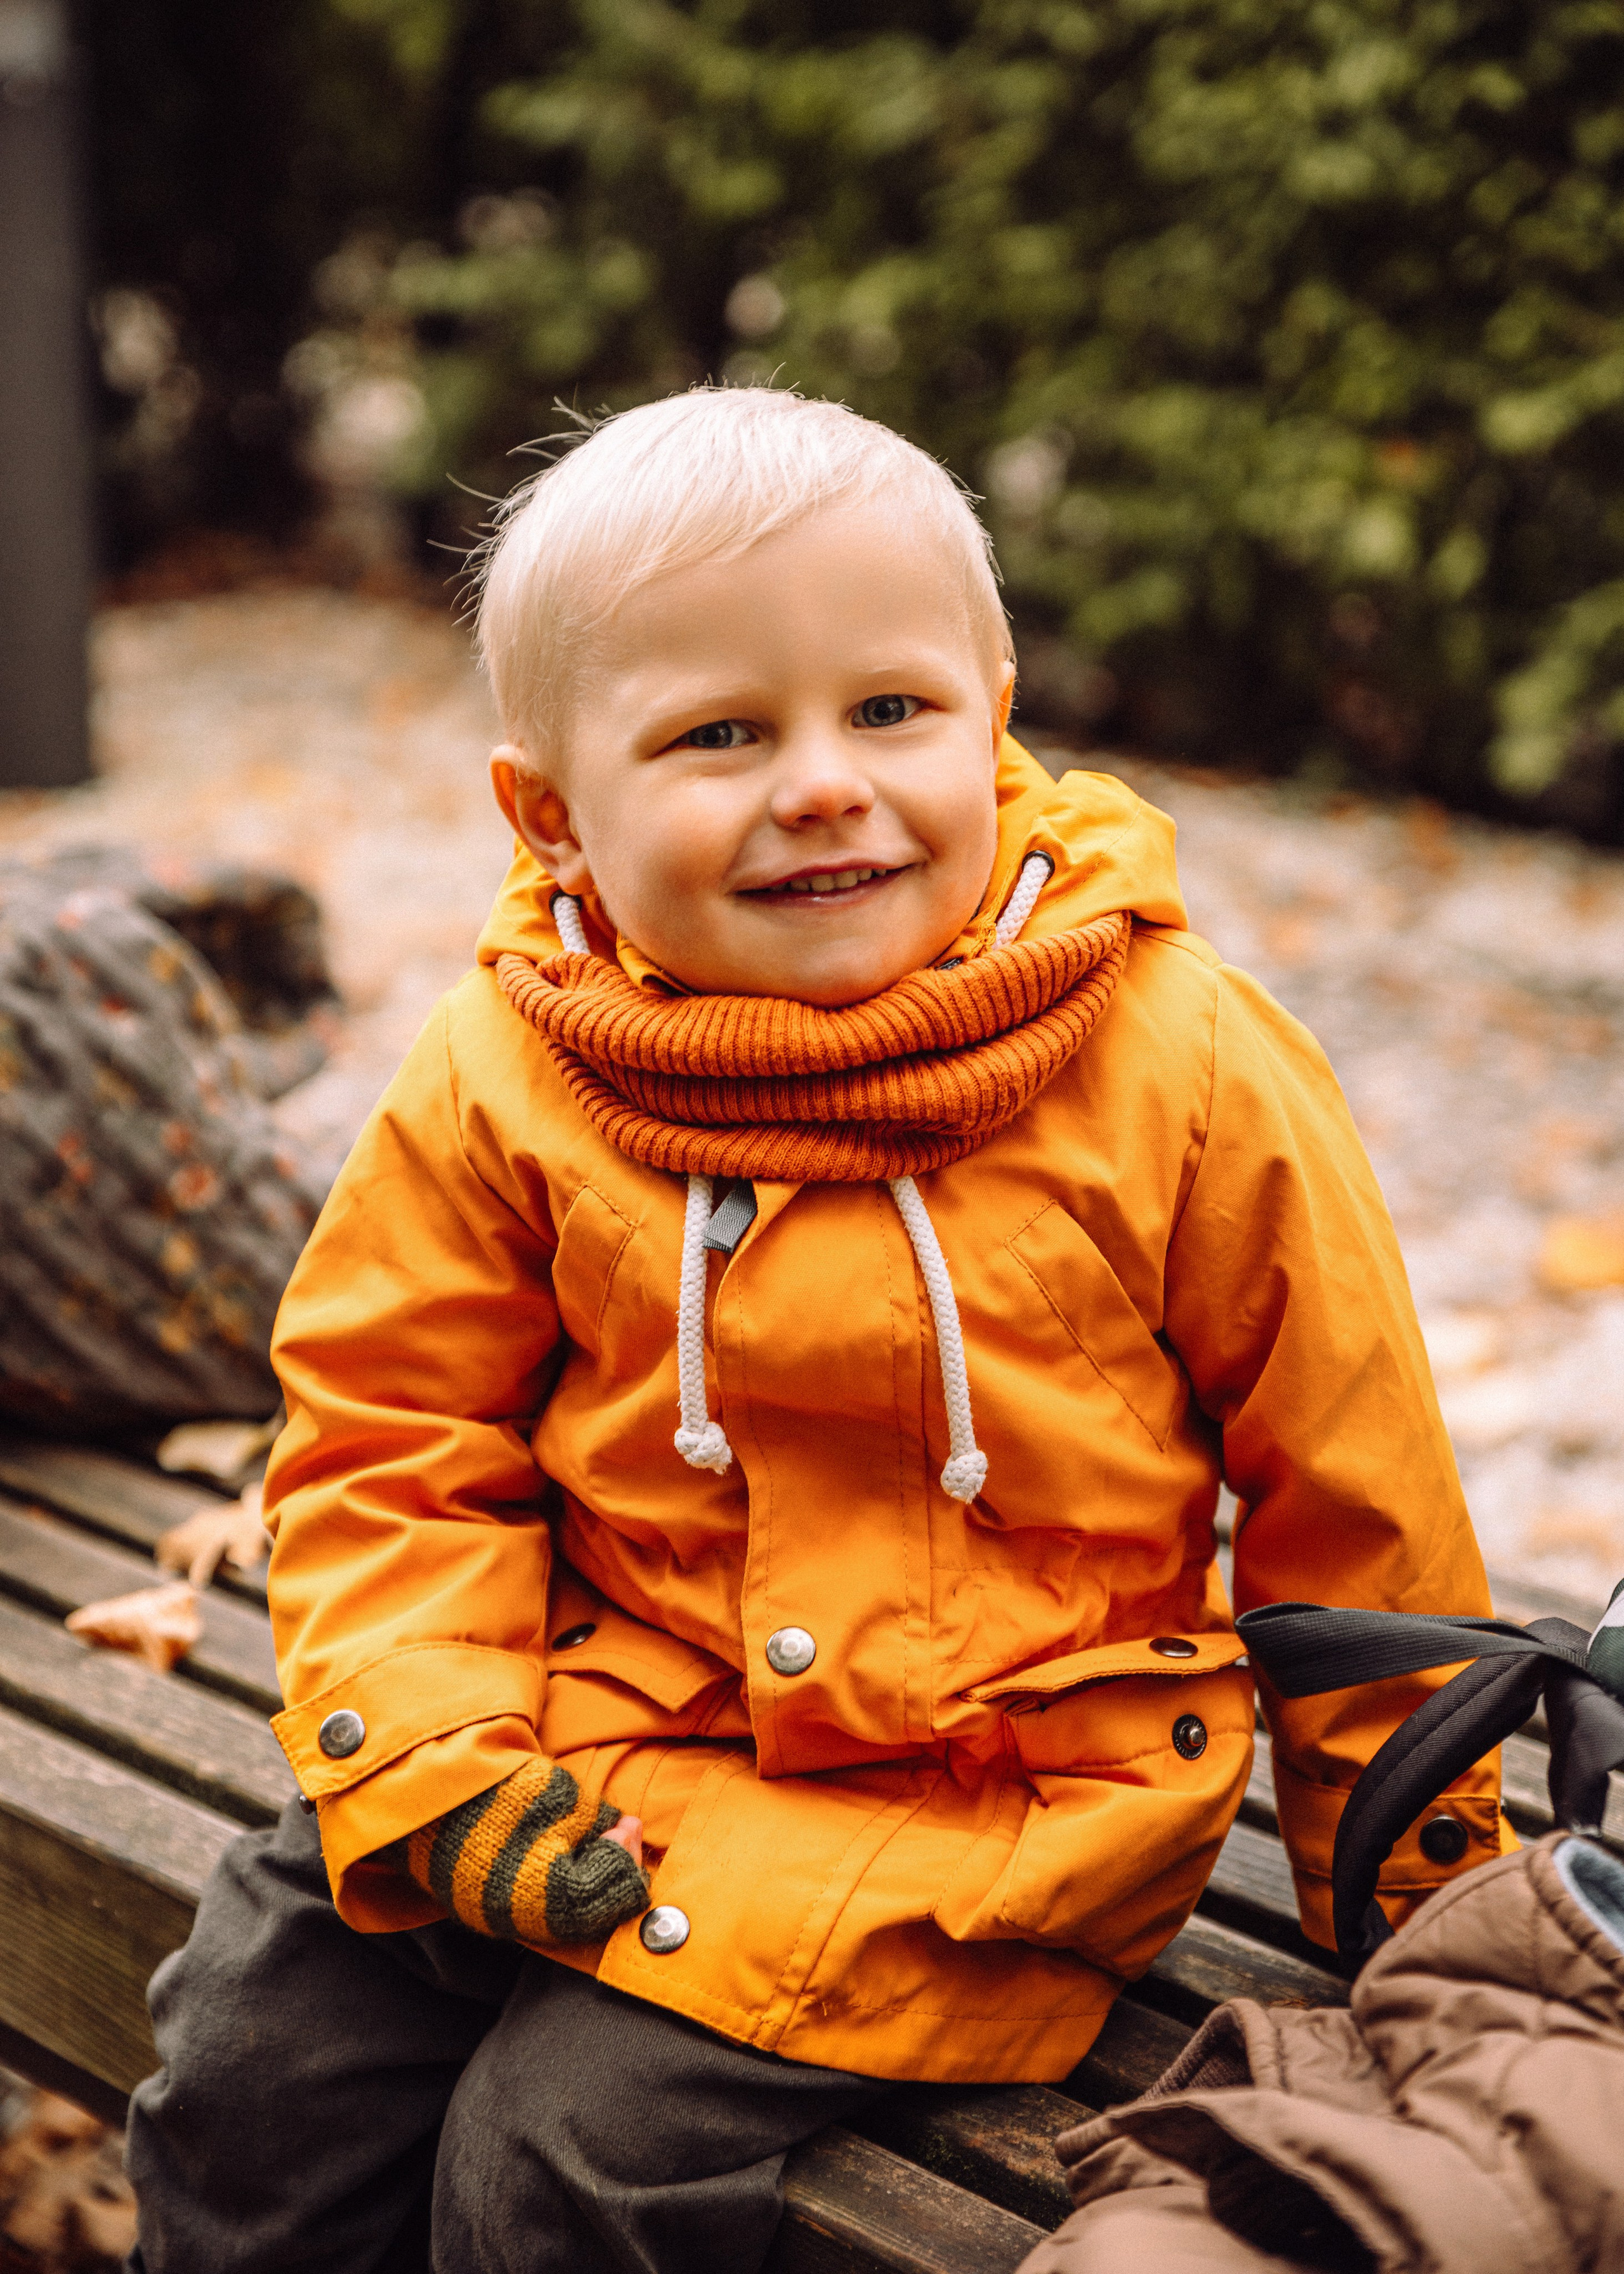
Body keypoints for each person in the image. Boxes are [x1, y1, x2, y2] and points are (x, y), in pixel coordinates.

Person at [123, 387, 1508, 2274]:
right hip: (574, 1723)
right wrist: (433, 1746)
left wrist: (1416, 1888)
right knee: (249, 2068)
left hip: (982, 1800)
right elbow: (389, 1431)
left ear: (993, 712)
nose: (824, 784)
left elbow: (1355, 1486)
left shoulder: (1179, 1062)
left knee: (557, 2162)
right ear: (554, 816)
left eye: (890, 710)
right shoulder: (511, 1064)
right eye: (720, 734)